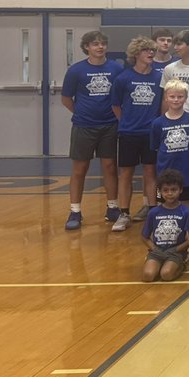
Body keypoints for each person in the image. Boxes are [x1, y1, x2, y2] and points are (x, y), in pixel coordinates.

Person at [61, 29, 123, 231]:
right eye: (95, 44)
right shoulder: (76, 70)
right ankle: (75, 211)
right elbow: (66, 99)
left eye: (103, 43)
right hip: (84, 125)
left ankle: (113, 207)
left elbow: (121, 97)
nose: (100, 47)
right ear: (87, 47)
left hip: (109, 125)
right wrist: (81, 113)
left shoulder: (116, 69)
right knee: (80, 169)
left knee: (110, 167)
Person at [110, 36, 161, 232]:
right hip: (129, 133)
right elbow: (115, 105)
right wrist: (126, 122)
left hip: (150, 132)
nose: (150, 54)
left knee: (151, 172)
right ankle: (124, 213)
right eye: (146, 50)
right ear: (135, 54)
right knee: (126, 174)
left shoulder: (158, 78)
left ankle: (153, 210)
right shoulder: (123, 78)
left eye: (152, 50)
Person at [149, 80, 189, 203]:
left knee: (188, 207)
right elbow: (155, 149)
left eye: (180, 97)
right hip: (165, 172)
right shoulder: (157, 123)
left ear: (186, 98)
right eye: (172, 96)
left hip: (188, 173)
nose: (176, 100)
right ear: (166, 98)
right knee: (164, 207)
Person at [141, 169, 189, 282]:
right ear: (160, 192)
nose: (169, 193)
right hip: (157, 251)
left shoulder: (186, 212)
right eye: (165, 190)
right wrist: (154, 248)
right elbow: (144, 236)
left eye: (173, 190)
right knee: (148, 276)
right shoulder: (154, 212)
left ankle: (182, 263)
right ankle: (157, 264)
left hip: (176, 252)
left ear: (180, 190)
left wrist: (177, 249)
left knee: (166, 275)